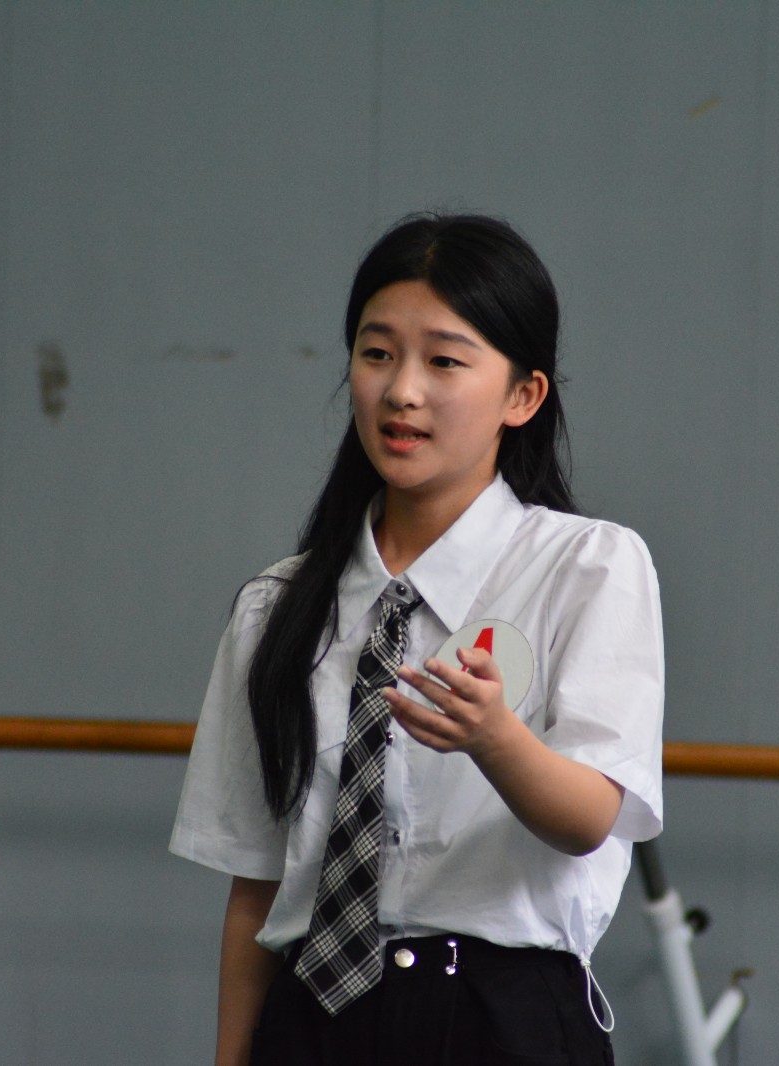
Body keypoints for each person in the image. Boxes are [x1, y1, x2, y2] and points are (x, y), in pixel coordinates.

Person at [170, 213, 664, 1065]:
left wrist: (495, 739)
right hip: (311, 1017)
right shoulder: (277, 606)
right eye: (377, 353)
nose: (402, 391)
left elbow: (592, 818)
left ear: (523, 396)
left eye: (444, 361)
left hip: (499, 1017)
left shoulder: (586, 567)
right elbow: (256, 889)